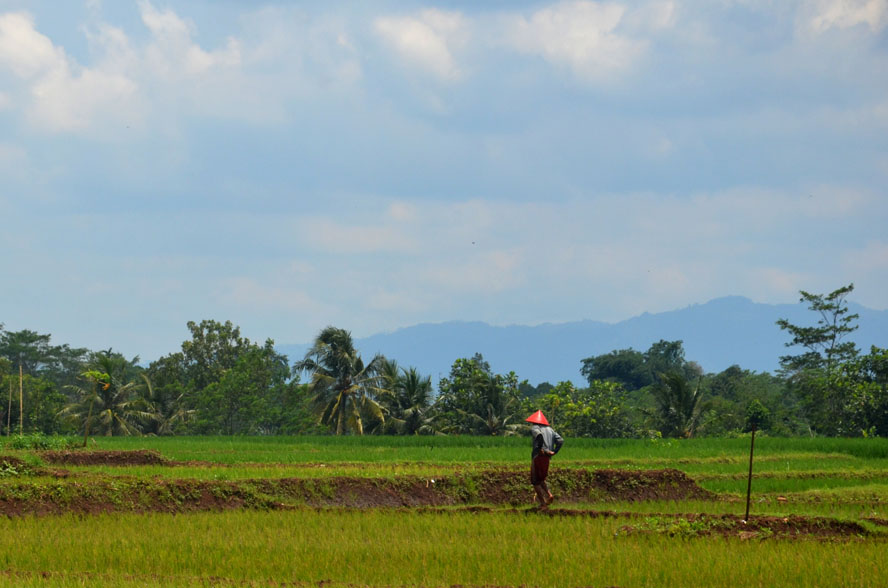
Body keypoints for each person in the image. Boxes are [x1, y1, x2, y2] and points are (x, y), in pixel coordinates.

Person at [526, 410, 563, 508]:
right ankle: (549, 495)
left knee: (535, 481)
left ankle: (542, 503)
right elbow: (560, 440)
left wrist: (540, 449)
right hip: (547, 458)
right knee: (541, 479)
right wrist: (554, 451)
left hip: (539, 456)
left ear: (535, 421)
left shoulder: (535, 428)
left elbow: (539, 436)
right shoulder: (550, 430)